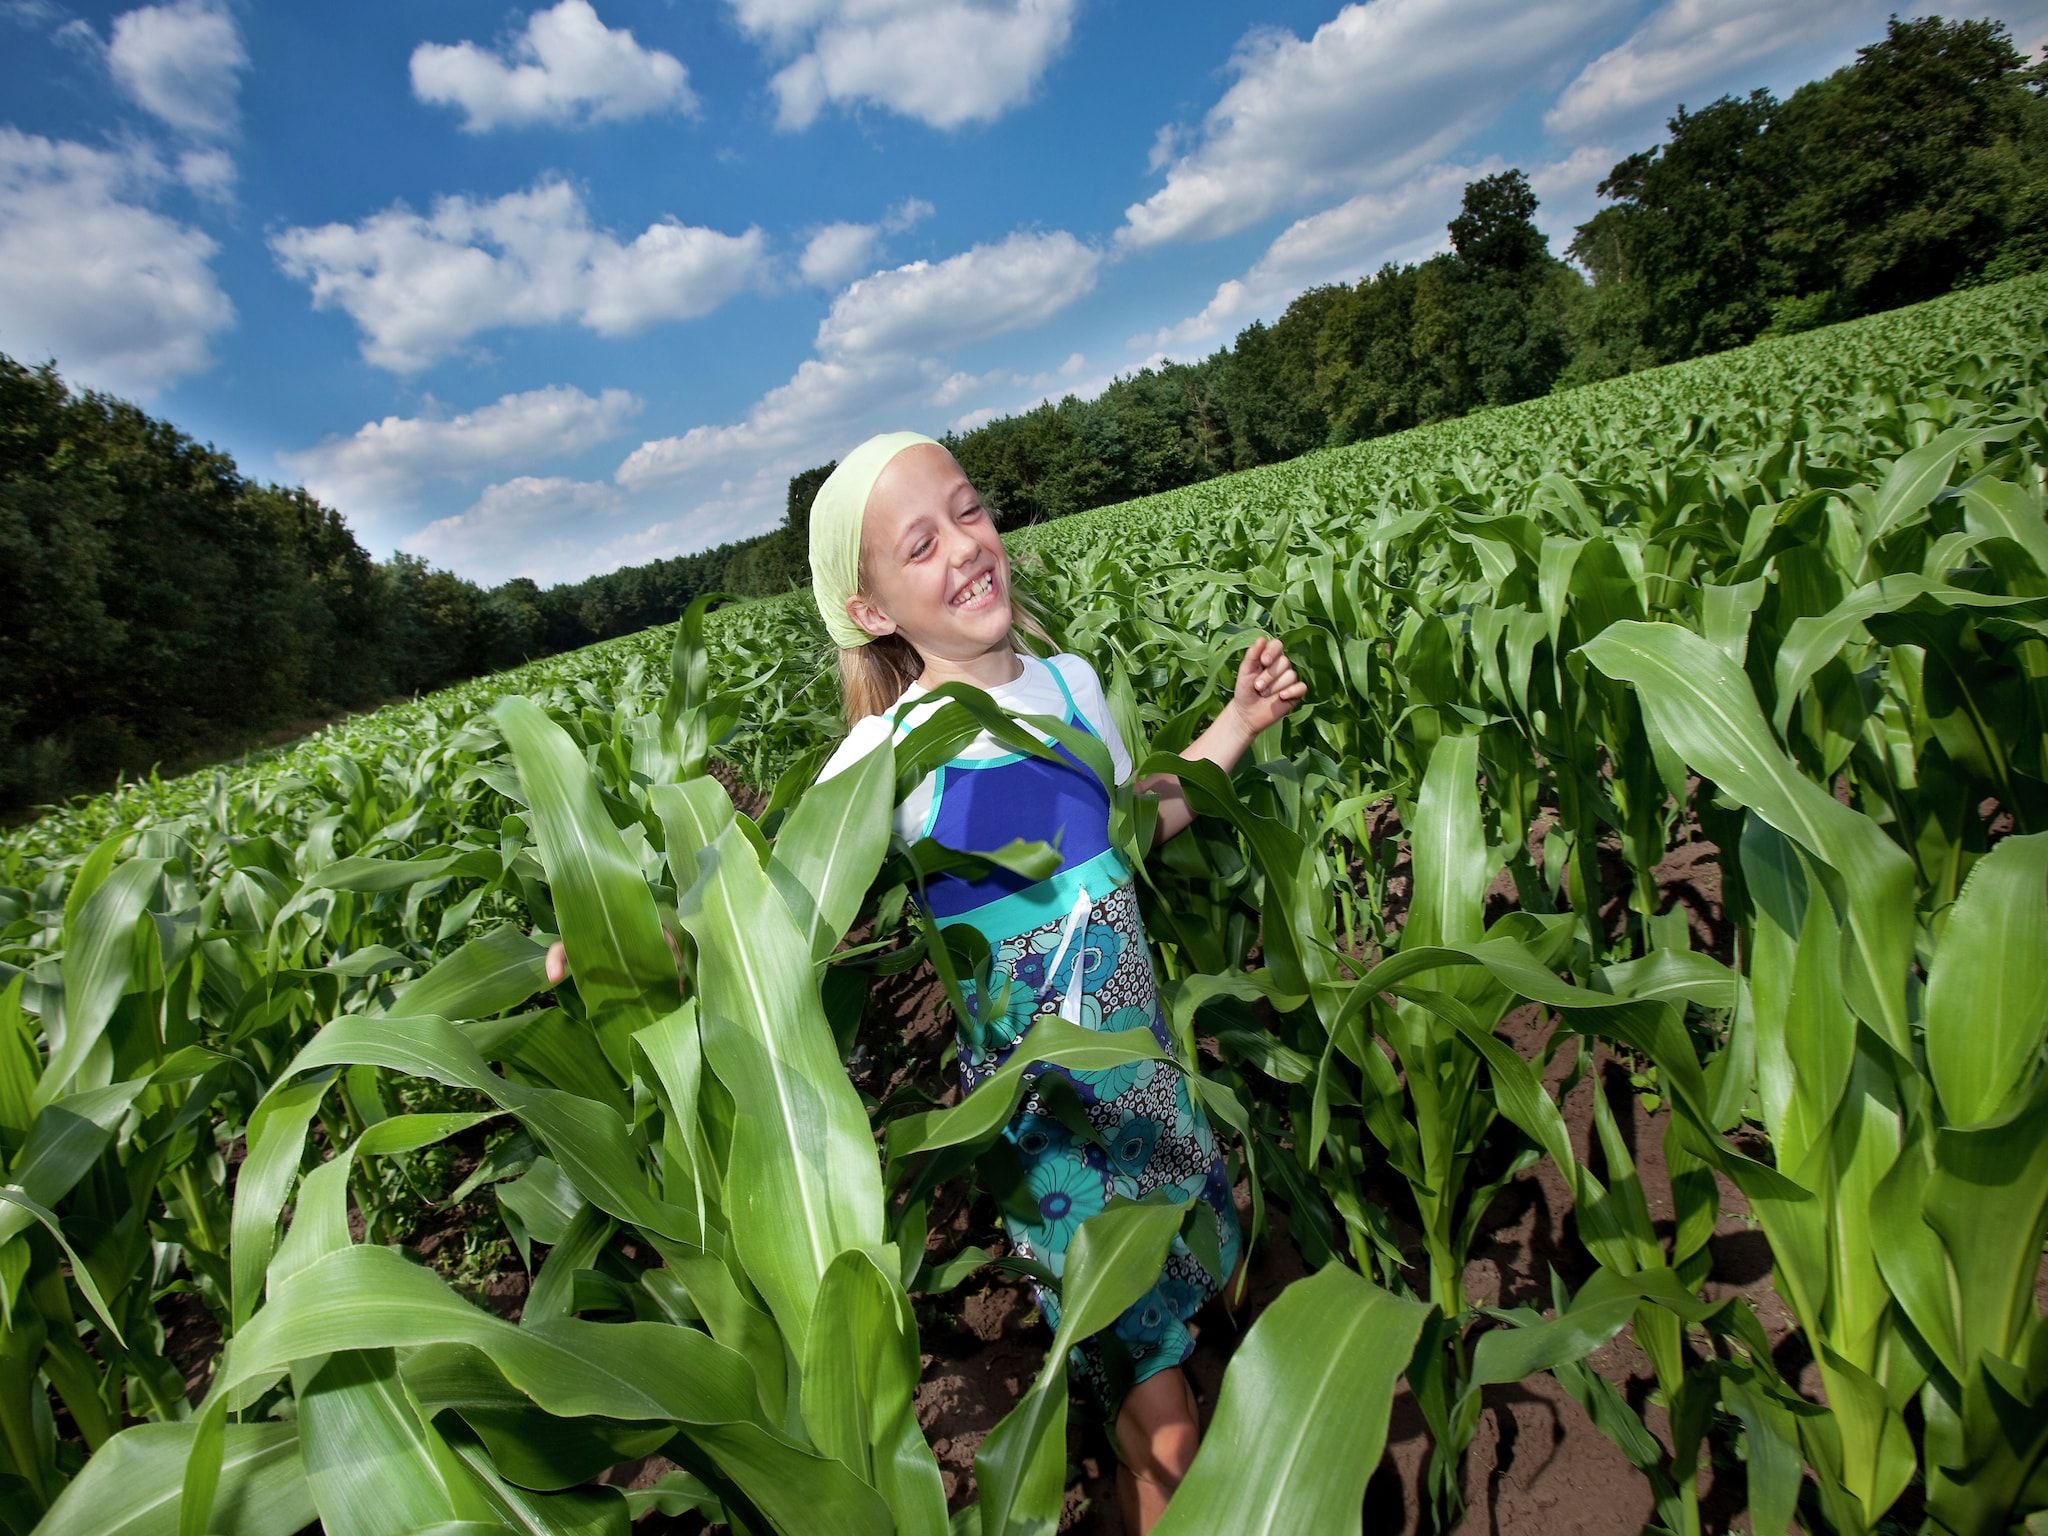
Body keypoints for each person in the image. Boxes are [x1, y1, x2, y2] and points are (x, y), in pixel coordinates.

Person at [808, 431, 1305, 1533]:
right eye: (919, 544)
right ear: (870, 610)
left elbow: (1133, 823)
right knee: (1167, 1432)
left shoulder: (1068, 684)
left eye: (968, 511)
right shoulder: (886, 755)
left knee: (1193, 1356)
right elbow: (770, 910)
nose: (965, 549)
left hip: (1150, 1086)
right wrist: (643, 942)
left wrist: (1235, 725)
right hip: (1053, 1140)